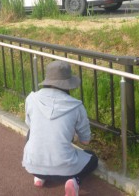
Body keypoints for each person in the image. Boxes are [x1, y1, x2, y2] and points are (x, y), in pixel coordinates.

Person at [22, 60, 98, 196]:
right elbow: (85, 141)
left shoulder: (31, 99)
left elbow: (30, 125)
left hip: (32, 165)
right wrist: (71, 134)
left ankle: (40, 177)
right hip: (65, 169)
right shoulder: (76, 106)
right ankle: (74, 180)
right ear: (68, 84)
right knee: (92, 158)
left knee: (31, 131)